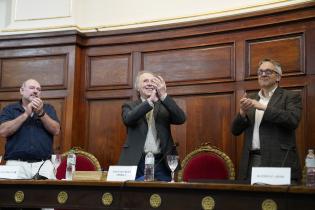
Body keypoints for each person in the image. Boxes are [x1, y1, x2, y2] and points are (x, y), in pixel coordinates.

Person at [231, 58, 302, 183]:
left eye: (268, 71)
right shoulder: (251, 98)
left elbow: (292, 120)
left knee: (277, 201)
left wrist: (263, 107)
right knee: (250, 201)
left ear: (278, 77)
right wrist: (242, 113)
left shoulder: (290, 97)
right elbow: (235, 131)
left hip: (279, 161)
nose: (263, 74)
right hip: (252, 160)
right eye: (260, 72)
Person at [118, 71, 186, 181]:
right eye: (145, 81)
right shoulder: (129, 106)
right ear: (138, 88)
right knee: (134, 196)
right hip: (137, 161)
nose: (149, 84)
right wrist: (149, 102)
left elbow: (181, 118)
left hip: (161, 162)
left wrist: (163, 95)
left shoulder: (164, 105)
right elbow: (128, 119)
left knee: (164, 196)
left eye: (152, 81)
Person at [0, 78, 60, 180]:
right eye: (32, 88)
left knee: (47, 195)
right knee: (10, 195)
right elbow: (3, 131)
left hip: (43, 164)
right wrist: (26, 114)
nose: (35, 91)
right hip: (15, 164)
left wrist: (41, 113)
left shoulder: (48, 108)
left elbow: (56, 130)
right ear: (21, 91)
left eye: (38, 89)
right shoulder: (10, 109)